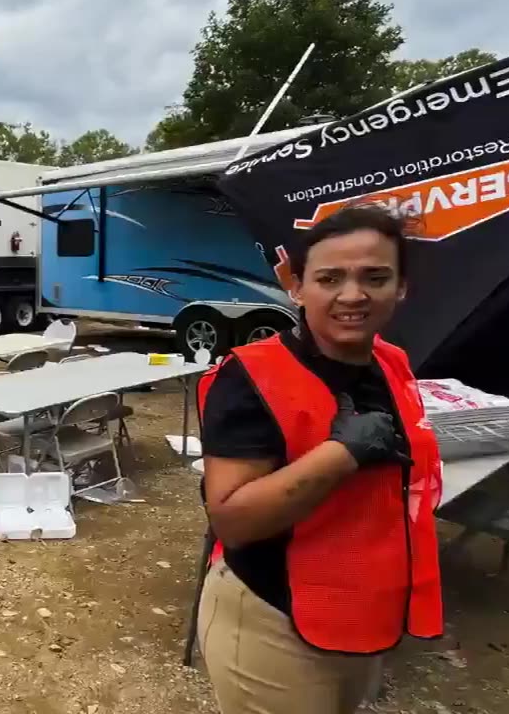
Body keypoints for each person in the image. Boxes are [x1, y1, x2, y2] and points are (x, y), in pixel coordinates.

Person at [195, 204, 443, 714]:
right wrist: (341, 454)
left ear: (401, 287)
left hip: (360, 610)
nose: (352, 295)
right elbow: (232, 520)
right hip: (273, 617)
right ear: (298, 287)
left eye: (375, 277)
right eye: (330, 278)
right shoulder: (251, 377)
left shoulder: (391, 361)